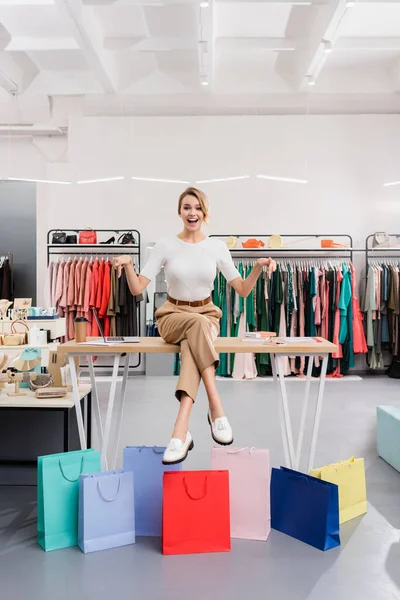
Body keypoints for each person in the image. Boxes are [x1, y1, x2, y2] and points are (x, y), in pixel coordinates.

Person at [114, 187, 276, 465]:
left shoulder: (217, 247)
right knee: (196, 327)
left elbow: (243, 289)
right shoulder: (166, 245)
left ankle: (180, 431)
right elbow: (136, 287)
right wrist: (129, 264)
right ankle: (216, 406)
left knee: (194, 341)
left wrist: (259, 267)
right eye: (187, 207)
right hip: (173, 316)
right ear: (180, 212)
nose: (192, 213)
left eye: (197, 208)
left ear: (205, 213)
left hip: (207, 315)